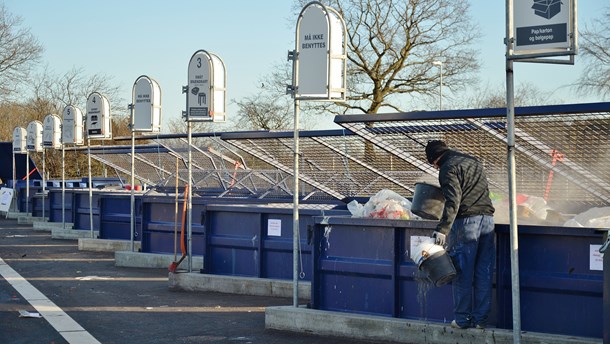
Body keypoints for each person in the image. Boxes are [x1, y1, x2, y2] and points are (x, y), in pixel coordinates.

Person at [425, 140, 495, 330]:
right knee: (483, 272)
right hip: (488, 220)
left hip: (467, 223)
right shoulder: (472, 160)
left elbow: (453, 201)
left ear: (434, 161)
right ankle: (481, 320)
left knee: (463, 272)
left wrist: (443, 229)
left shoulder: (447, 168)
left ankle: (462, 320)